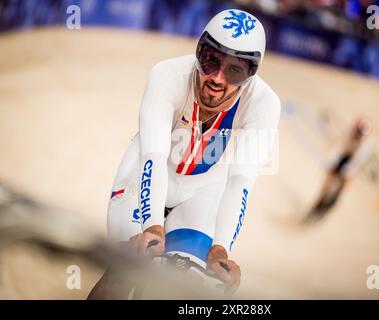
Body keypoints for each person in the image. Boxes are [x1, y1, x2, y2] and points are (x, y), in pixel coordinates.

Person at [88, 9, 280, 299]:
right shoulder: (168, 74)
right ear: (198, 51)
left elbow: (239, 182)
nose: (216, 78)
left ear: (251, 74)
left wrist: (221, 248)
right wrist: (152, 226)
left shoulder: (264, 103)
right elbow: (152, 155)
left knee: (179, 285)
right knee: (126, 267)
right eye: (210, 59)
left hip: (202, 190)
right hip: (150, 171)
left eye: (233, 70)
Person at [305, 117, 372, 223]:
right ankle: (315, 207)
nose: (357, 136)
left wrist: (346, 174)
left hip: (349, 165)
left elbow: (356, 163)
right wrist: (330, 164)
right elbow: (337, 150)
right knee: (325, 187)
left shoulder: (365, 147)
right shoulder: (347, 135)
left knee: (339, 191)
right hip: (340, 160)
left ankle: (326, 208)